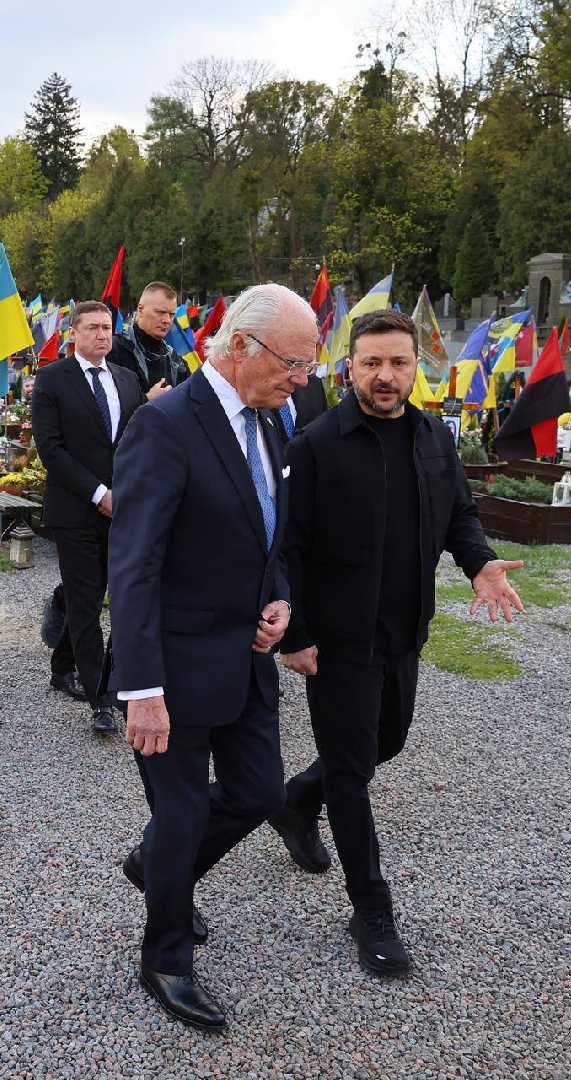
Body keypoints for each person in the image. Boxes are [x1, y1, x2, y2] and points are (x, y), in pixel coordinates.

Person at [275, 309, 524, 977]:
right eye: (372, 363)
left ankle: (297, 800)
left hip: (405, 630)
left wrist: (480, 563)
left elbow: (459, 515)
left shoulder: (433, 437)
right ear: (349, 368)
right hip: (339, 639)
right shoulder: (315, 445)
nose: (385, 376)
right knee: (351, 772)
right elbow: (288, 546)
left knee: (385, 743)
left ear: (417, 368)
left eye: (398, 363)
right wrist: (295, 634)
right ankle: (371, 910)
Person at [108, 283, 317, 1032]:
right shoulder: (165, 424)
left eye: (308, 364)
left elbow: (270, 534)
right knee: (182, 810)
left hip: (245, 656)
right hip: (172, 664)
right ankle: (165, 957)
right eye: (293, 362)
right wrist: (141, 688)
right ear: (242, 347)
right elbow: (133, 563)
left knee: (258, 793)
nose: (302, 379)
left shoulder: (273, 421)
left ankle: (157, 869)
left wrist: (280, 600)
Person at [31, 301, 145, 733]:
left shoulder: (126, 379)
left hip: (123, 510)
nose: (102, 334)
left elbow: (138, 439)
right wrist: (99, 494)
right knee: (85, 601)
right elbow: (51, 449)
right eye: (93, 327)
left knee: (114, 596)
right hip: (75, 510)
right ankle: (101, 700)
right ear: (73, 333)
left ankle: (64, 665)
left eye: (107, 328)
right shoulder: (53, 379)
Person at [107, 281, 188, 399]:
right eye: (160, 312)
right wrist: (147, 399)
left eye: (171, 314)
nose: (167, 320)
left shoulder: (175, 359)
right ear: (141, 310)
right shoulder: (114, 350)